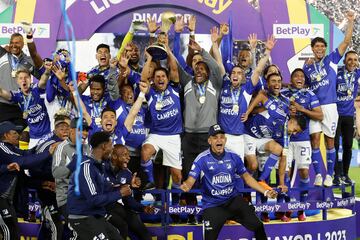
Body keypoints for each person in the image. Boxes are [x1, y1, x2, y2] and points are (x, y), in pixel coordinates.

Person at [180, 124, 277, 240]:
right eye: (215, 137)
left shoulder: (234, 156)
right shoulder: (202, 158)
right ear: (209, 141)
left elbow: (247, 177)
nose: (219, 140)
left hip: (233, 201)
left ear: (225, 140)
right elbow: (191, 180)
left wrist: (266, 191)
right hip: (213, 206)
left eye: (221, 137)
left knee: (258, 225)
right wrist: (187, 185)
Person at [303, 10, 355, 187]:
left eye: (322, 47)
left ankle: (330, 176)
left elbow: (346, 42)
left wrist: (350, 22)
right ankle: (318, 174)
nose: (319, 49)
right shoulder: (307, 67)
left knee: (330, 142)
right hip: (314, 108)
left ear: (324, 49)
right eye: (316, 47)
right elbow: (303, 86)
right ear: (312, 49)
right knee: (315, 141)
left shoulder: (332, 59)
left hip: (331, 107)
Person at [67, 131, 131, 240]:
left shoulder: (98, 166)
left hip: (96, 217)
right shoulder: (86, 167)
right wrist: (120, 193)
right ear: (104, 146)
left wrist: (123, 187)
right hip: (83, 219)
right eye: (111, 145)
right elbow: (94, 200)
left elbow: (107, 188)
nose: (112, 150)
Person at [0, 121, 57, 240]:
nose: (18, 135)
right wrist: (48, 153)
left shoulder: (12, 149)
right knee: (9, 229)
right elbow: (23, 161)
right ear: (6, 135)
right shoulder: (2, 147)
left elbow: (27, 155)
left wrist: (42, 183)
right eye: (14, 133)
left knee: (13, 231)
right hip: (1, 198)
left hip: (7, 200)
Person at [281, 68, 323, 221]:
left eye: (301, 76)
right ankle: (287, 208)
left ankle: (301, 208)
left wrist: (302, 109)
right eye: (296, 76)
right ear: (291, 79)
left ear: (304, 80)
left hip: (303, 140)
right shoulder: (283, 93)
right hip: (285, 140)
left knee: (304, 172)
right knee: (286, 173)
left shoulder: (309, 95)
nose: (299, 78)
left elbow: (320, 115)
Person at [30, 113, 71, 239]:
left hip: (60, 189)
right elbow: (34, 166)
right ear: (55, 130)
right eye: (61, 129)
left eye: (67, 128)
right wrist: (43, 183)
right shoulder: (49, 144)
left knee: (65, 224)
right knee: (55, 224)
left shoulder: (68, 145)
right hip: (47, 189)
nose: (65, 131)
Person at [51, 117, 91, 238]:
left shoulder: (86, 148)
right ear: (72, 131)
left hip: (85, 198)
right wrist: (72, 165)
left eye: (86, 130)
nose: (84, 133)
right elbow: (56, 173)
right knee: (80, 231)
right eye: (81, 129)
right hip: (67, 199)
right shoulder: (61, 148)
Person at [104, 144, 154, 240]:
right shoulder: (102, 169)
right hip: (102, 208)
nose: (128, 157)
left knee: (145, 234)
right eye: (124, 155)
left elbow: (128, 200)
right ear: (114, 156)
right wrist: (119, 188)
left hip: (117, 207)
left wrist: (143, 208)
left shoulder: (127, 173)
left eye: (128, 155)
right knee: (122, 227)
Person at [0, 67, 52, 148]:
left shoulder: (37, 89)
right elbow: (2, 92)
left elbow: (43, 80)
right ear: (17, 81)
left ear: (30, 79)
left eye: (26, 77)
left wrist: (47, 70)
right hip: (34, 137)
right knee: (33, 158)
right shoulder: (17, 96)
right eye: (20, 78)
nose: (23, 80)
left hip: (48, 133)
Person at [0, 32, 40, 128]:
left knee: (19, 135)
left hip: (22, 105)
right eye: (12, 42)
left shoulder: (28, 61)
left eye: (17, 43)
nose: (14, 45)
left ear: (22, 44)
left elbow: (40, 76)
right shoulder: (2, 55)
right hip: (2, 103)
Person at [334, 50, 360, 185]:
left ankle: (345, 174)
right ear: (344, 60)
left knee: (348, 146)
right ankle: (336, 175)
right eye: (350, 59)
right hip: (335, 114)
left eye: (355, 60)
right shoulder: (336, 71)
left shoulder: (357, 73)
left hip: (349, 115)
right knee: (335, 145)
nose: (352, 62)